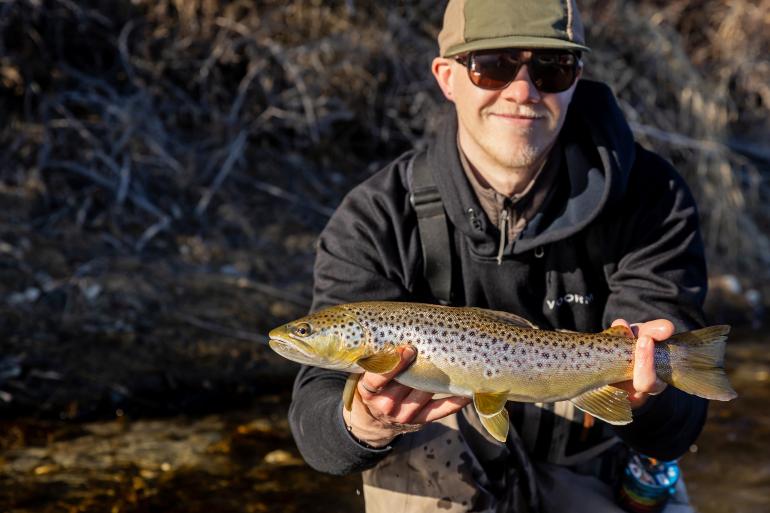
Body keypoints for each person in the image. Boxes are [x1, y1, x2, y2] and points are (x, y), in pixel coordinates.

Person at [289, 0, 709, 511]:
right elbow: (318, 428)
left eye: (552, 68)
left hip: (599, 461)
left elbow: (678, 428)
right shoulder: (376, 216)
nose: (523, 90)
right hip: (439, 471)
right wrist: (364, 422)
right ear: (447, 77)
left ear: (578, 77)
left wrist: (651, 392)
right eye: (493, 65)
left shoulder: (651, 195)